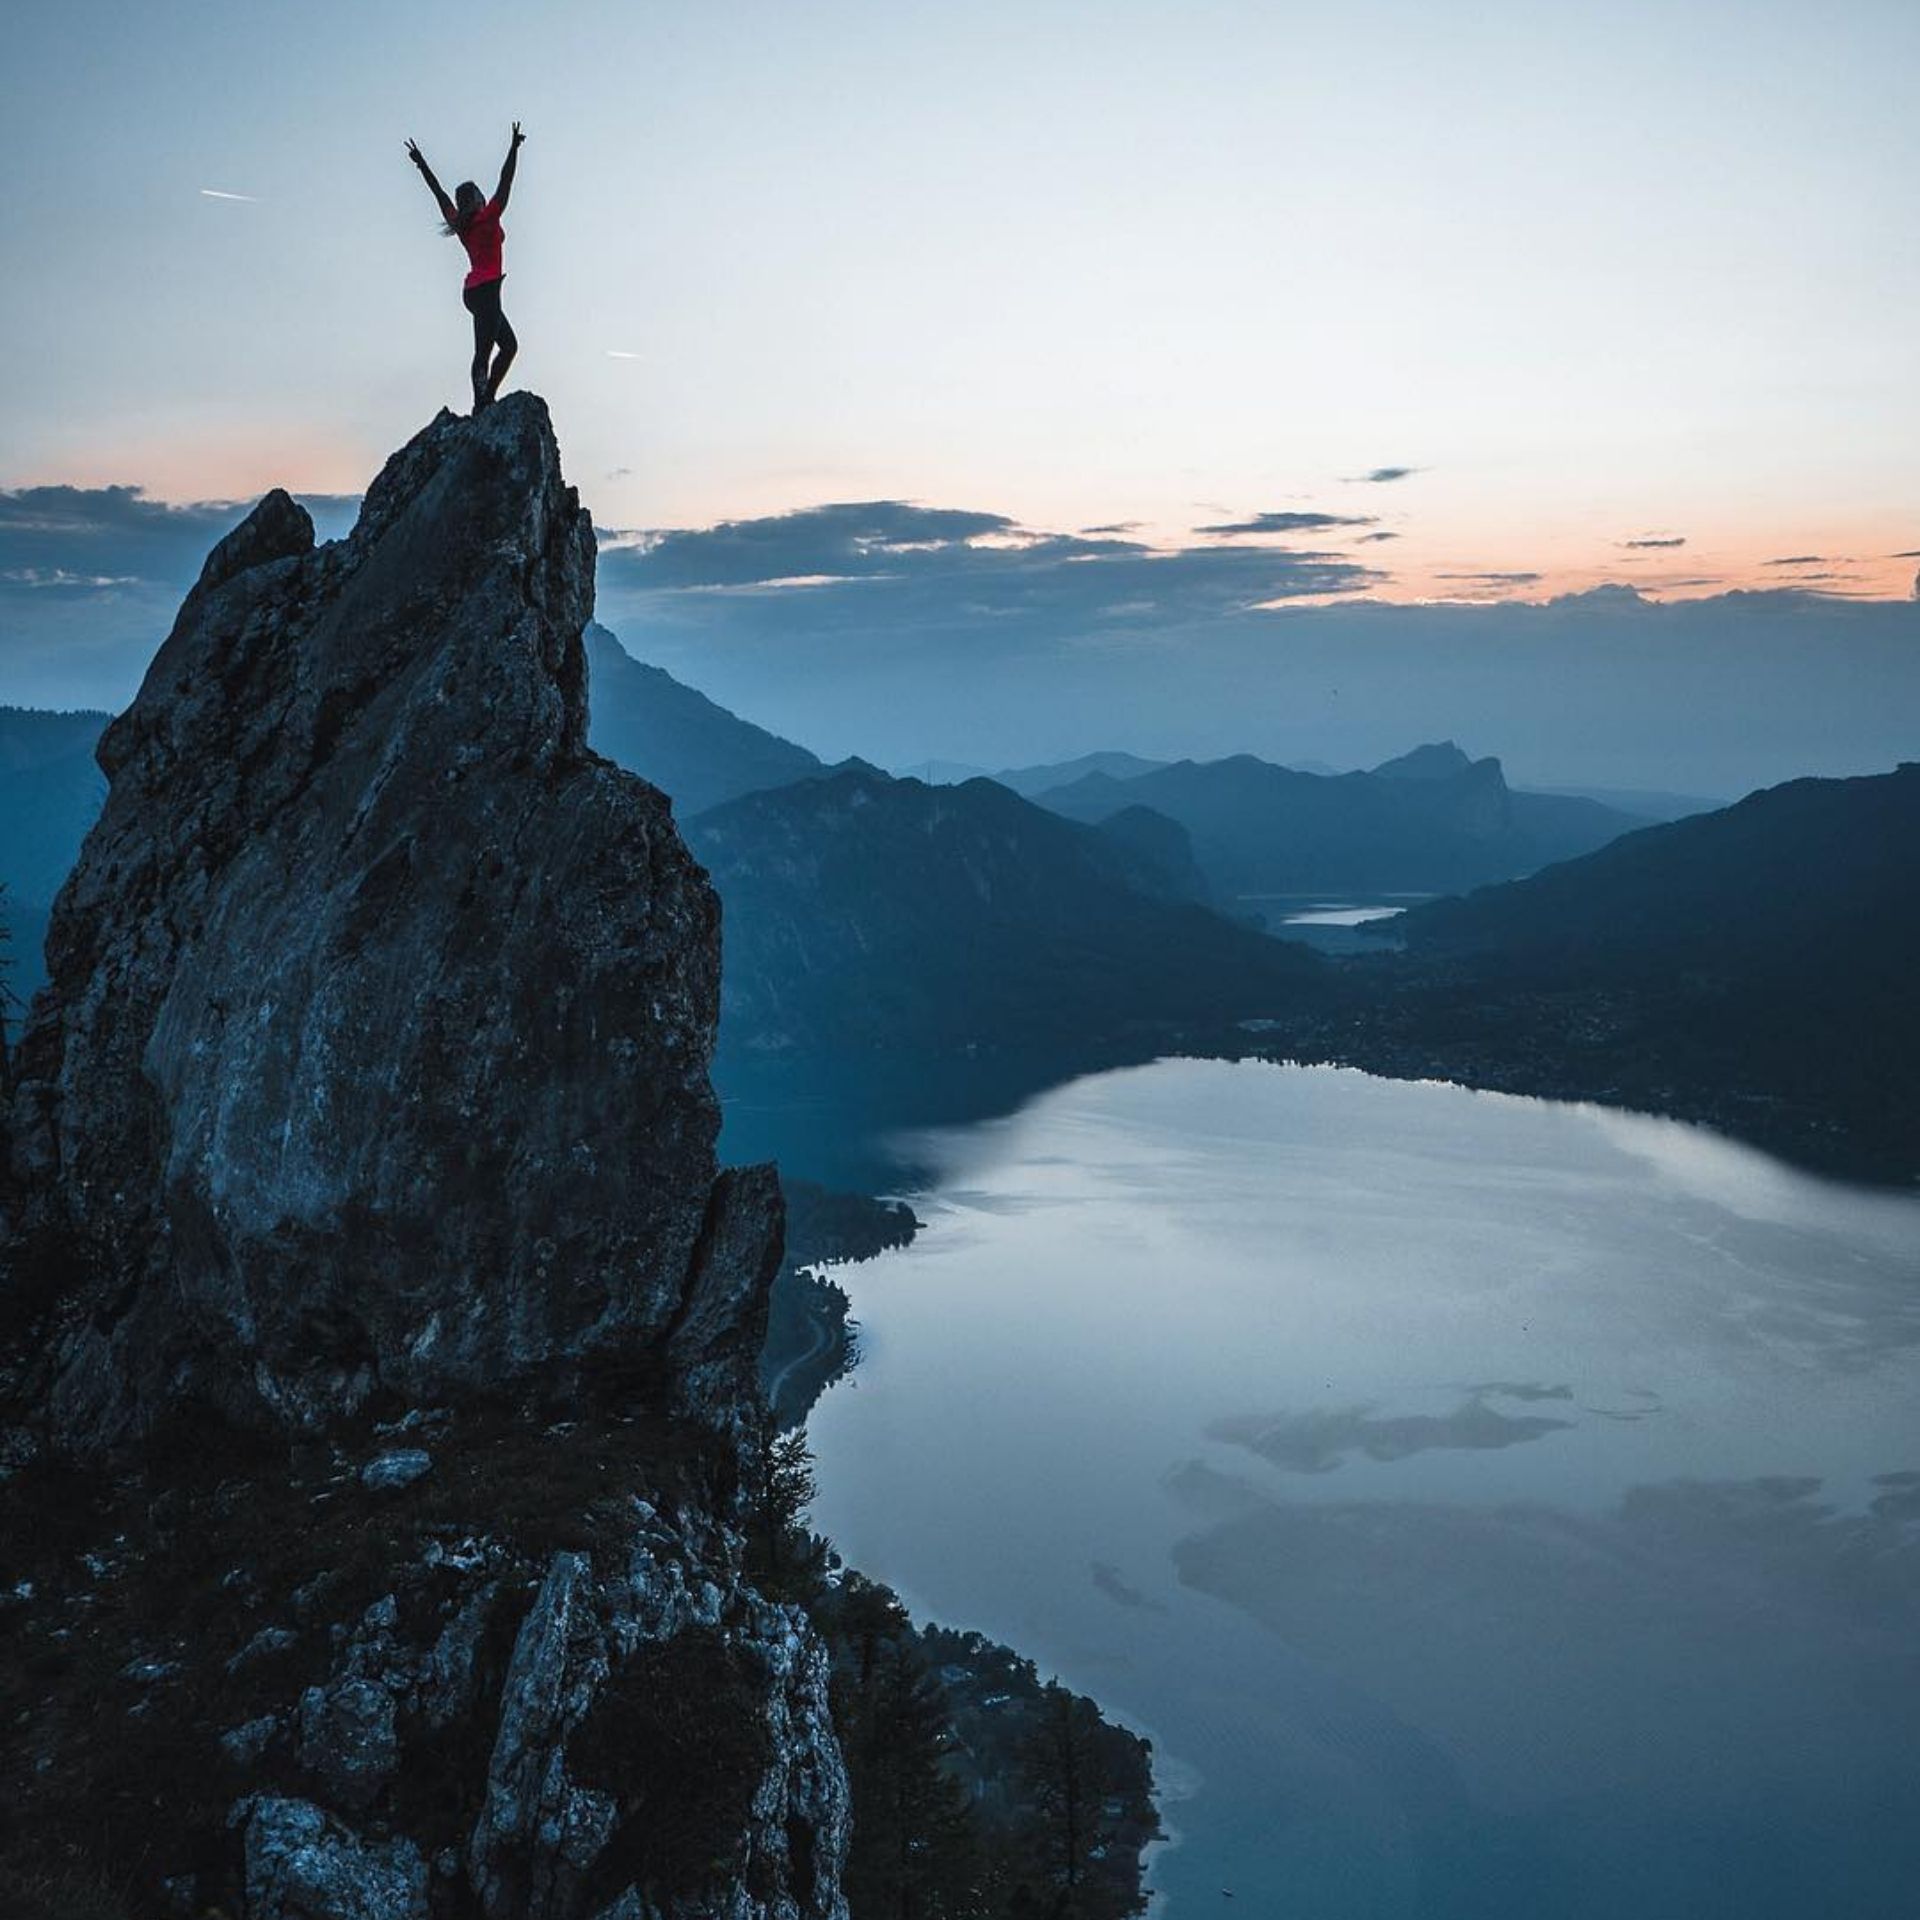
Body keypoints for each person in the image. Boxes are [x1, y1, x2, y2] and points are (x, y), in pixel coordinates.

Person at [405, 124, 525, 413]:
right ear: (479, 199)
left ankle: (487, 397)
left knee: (508, 346)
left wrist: (421, 164)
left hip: (475, 291)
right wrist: (513, 149)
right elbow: (505, 180)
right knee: (484, 351)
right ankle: (481, 404)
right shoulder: (488, 215)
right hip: (486, 289)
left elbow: (439, 194)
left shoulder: (461, 224)